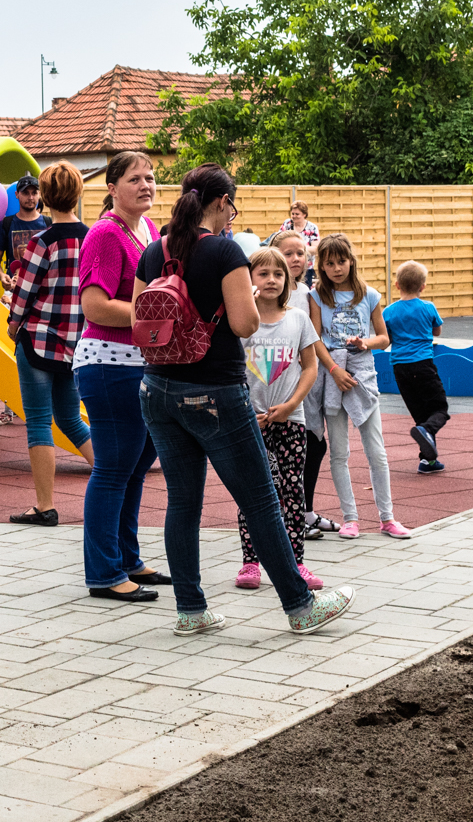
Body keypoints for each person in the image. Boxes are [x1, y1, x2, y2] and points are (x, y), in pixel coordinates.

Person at [135, 165, 355, 637]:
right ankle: (300, 605)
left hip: (157, 388)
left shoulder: (155, 250)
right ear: (221, 203)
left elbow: (141, 322)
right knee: (260, 499)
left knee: (182, 502)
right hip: (215, 390)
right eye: (231, 208)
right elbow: (244, 324)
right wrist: (248, 297)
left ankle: (191, 610)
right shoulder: (224, 249)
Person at [76, 151, 167, 601]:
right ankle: (104, 573)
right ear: (112, 188)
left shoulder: (148, 230)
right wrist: (153, 317)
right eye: (135, 179)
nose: (146, 185)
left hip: (138, 363)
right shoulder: (105, 234)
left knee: (135, 465)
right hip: (109, 364)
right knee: (113, 467)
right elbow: (95, 306)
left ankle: (127, 558)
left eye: (150, 177)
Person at [4, 161, 94, 525]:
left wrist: (14, 325)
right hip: (76, 343)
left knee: (39, 422)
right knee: (70, 418)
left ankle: (45, 505)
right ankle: (113, 476)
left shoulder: (42, 242)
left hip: (39, 340)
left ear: (45, 196)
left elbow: (24, 293)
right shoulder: (92, 237)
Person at [308, 233, 409, 539]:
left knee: (376, 451)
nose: (336, 268)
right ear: (321, 267)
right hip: (334, 377)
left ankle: (387, 517)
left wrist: (365, 343)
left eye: (341, 261)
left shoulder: (369, 295)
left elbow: (384, 338)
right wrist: (334, 369)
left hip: (362, 376)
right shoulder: (317, 296)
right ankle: (350, 518)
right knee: (339, 452)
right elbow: (315, 340)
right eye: (329, 264)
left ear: (351, 261)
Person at [235, 247, 323, 593]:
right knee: (253, 492)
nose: (271, 280)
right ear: (248, 278)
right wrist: (245, 412)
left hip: (291, 421)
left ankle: (295, 562)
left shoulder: (298, 319)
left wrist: (291, 404)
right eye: (263, 273)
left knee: (292, 491)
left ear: (287, 280)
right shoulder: (240, 322)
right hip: (250, 423)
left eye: (278, 274)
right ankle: (251, 562)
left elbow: (310, 367)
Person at [269, 229, 337, 539]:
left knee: (314, 444)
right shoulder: (266, 292)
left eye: (301, 253)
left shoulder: (307, 293)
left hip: (304, 381)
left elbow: (312, 336)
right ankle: (285, 515)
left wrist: (329, 367)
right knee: (282, 452)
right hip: (277, 381)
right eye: (288, 253)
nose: (296, 258)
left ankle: (304, 511)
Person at [384, 260, 448, 474]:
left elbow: (387, 338)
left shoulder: (389, 311)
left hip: (400, 368)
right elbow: (437, 331)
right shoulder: (428, 307)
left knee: (420, 414)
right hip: (423, 365)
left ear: (397, 285)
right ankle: (427, 432)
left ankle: (428, 461)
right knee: (439, 410)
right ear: (423, 286)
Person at [0, 175, 49, 289]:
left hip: (42, 291)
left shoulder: (49, 224)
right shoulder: (6, 224)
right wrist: (2, 276)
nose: (30, 197)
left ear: (39, 194)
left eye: (34, 193)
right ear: (17, 194)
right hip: (15, 289)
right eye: (26, 193)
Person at [280, 202, 321, 286]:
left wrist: (296, 248)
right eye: (293, 214)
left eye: (297, 214)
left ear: (304, 214)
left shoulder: (312, 228)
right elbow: (279, 242)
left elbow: (315, 249)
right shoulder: (287, 224)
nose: (294, 216)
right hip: (287, 266)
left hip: (306, 268)